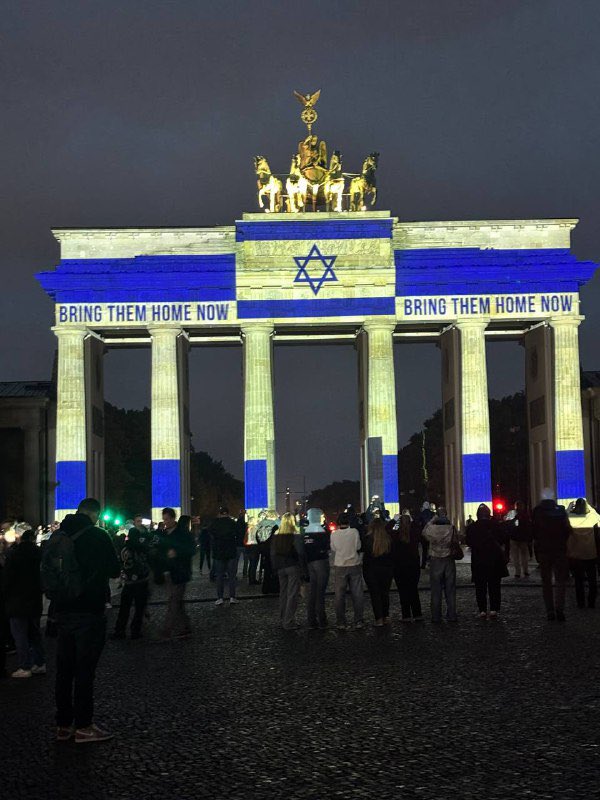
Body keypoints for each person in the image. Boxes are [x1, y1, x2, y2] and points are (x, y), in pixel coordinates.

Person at [49, 497, 121, 743]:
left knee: (64, 670)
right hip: (89, 610)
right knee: (84, 671)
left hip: (61, 609)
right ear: (96, 515)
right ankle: (83, 725)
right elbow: (113, 568)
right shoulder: (98, 536)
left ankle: (63, 724)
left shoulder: (57, 536)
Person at [3, 528, 45, 677]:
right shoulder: (39, 553)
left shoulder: (14, 555)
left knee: (19, 634)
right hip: (34, 598)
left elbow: (7, 579)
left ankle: (24, 666)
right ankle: (39, 663)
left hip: (17, 600)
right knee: (34, 633)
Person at [532, 488, 572, 621]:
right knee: (560, 581)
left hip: (544, 550)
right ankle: (560, 609)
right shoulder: (560, 510)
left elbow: (534, 531)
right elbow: (568, 530)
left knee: (546, 582)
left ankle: (550, 611)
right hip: (559, 550)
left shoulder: (537, 511)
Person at [466, 504, 508, 619]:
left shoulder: (472, 527)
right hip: (494, 560)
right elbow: (503, 538)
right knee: (495, 586)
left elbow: (469, 542)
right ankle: (494, 609)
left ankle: (482, 610)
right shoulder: (495, 525)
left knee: (480, 587)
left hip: (479, 560)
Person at [159, 512, 196, 638]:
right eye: (164, 519)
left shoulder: (183, 533)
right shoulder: (165, 534)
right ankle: (185, 626)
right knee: (177, 601)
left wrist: (177, 553)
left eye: (167, 519)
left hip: (180, 571)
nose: (165, 522)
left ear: (173, 519)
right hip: (169, 572)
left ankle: (166, 630)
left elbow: (191, 550)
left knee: (173, 601)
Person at [111, 529, 150, 639]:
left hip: (129, 583)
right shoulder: (143, 548)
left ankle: (120, 630)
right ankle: (135, 631)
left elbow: (123, 564)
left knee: (124, 608)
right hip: (142, 582)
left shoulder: (125, 549)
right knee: (139, 609)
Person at [270, 512, 306, 630]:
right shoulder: (295, 536)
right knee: (292, 594)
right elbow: (300, 553)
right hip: (292, 566)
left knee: (283, 593)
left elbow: (273, 554)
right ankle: (289, 621)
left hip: (280, 568)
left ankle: (283, 618)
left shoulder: (276, 537)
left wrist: (275, 567)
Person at [422, 507, 458, 623]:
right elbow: (456, 540)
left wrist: (432, 520)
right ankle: (452, 614)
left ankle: (436, 616)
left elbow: (424, 533)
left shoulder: (431, 529)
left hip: (435, 559)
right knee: (450, 589)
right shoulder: (451, 528)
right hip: (448, 559)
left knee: (436, 590)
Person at [330, 512, 364, 630]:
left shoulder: (334, 534)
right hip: (354, 563)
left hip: (340, 565)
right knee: (357, 593)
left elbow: (333, 548)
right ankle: (358, 620)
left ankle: (341, 621)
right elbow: (358, 547)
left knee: (339, 595)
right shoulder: (354, 532)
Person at [389, 510, 422, 622]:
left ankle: (406, 615)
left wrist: (394, 520)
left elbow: (387, 529)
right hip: (413, 565)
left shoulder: (396, 535)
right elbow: (419, 528)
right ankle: (417, 614)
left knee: (403, 591)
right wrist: (412, 521)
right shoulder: (414, 534)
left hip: (399, 566)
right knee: (413, 589)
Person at [566, 497, 600, 609]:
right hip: (590, 553)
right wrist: (588, 505)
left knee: (579, 581)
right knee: (592, 580)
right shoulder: (590, 518)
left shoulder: (571, 518)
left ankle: (580, 603)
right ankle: (591, 602)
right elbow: (597, 515)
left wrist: (569, 507)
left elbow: (564, 517)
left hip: (576, 554)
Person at [301, 508, 330, 629]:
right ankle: (322, 620)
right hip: (321, 562)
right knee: (320, 592)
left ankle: (311, 620)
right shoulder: (320, 530)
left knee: (312, 592)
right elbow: (327, 546)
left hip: (310, 563)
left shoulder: (306, 532)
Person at [362, 519, 394, 626]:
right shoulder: (388, 539)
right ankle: (386, 616)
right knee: (385, 593)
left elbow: (365, 555)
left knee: (375, 595)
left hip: (371, 570)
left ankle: (378, 618)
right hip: (386, 569)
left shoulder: (367, 539)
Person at [210, 507, 240, 605]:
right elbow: (238, 533)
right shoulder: (232, 523)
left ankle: (220, 598)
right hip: (231, 552)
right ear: (227, 513)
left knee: (219, 576)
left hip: (219, 553)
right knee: (232, 576)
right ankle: (232, 597)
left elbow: (211, 534)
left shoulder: (214, 523)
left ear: (220, 513)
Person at [504, 501, 532, 578]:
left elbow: (508, 523)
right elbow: (528, 526)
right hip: (522, 537)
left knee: (516, 556)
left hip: (514, 537)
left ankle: (518, 572)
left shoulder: (512, 514)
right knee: (524, 555)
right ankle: (525, 571)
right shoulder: (526, 515)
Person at [256, 510, 280, 595]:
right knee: (274, 568)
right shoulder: (275, 525)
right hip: (272, 548)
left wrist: (261, 545)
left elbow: (257, 536)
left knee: (266, 569)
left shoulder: (260, 524)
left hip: (263, 549)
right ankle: (274, 587)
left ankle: (265, 588)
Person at [418, 502, 435, 569]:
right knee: (431, 549)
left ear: (423, 506)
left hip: (424, 534)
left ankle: (423, 564)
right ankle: (431, 563)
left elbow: (418, 523)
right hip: (431, 533)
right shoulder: (432, 514)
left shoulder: (421, 514)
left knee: (424, 550)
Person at [245, 516, 261, 585]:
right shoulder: (255, 528)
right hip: (254, 546)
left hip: (249, 547)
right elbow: (258, 537)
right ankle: (252, 580)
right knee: (254, 564)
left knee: (251, 564)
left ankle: (251, 579)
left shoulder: (248, 528)